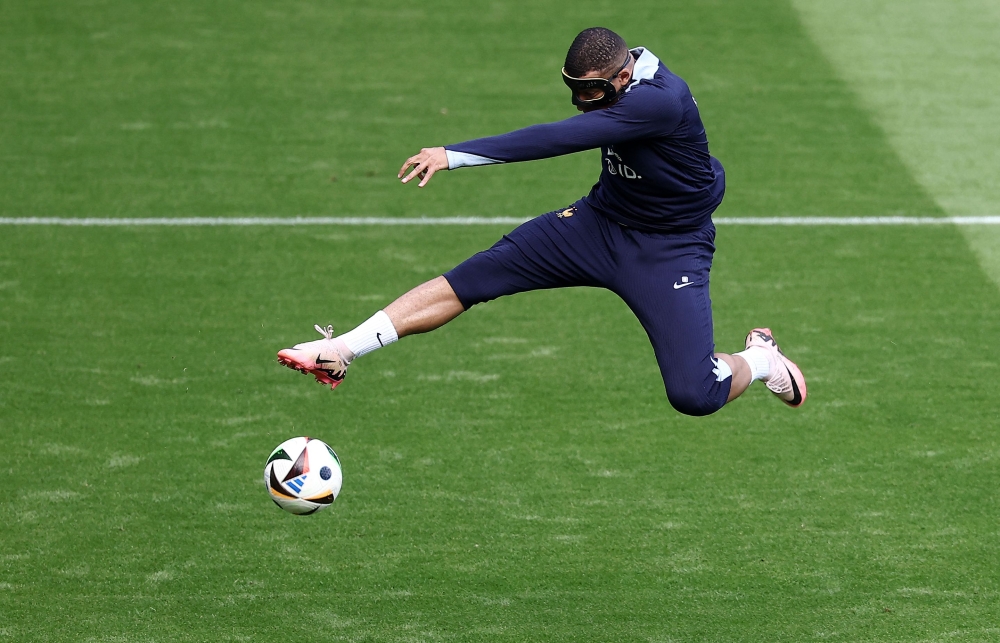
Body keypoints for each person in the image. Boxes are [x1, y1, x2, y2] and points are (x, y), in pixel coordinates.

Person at [277, 27, 806, 415]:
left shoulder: (661, 102)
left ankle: (760, 359)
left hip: (668, 249)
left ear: (623, 76)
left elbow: (556, 139)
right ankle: (340, 350)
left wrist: (454, 153)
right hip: (597, 225)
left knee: (695, 394)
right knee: (476, 277)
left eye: (593, 91)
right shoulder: (616, 87)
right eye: (573, 88)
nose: (582, 102)